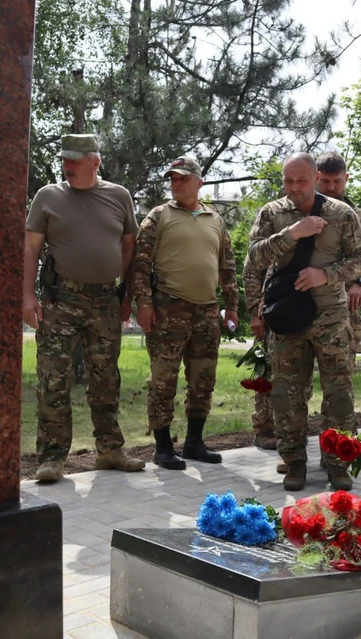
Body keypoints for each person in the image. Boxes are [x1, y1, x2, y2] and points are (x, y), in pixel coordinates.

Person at [23, 134, 146, 482]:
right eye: (65, 160)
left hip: (105, 301)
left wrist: (124, 297)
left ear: (95, 161)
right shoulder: (48, 196)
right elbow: (30, 249)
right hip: (62, 300)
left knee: (106, 378)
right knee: (53, 380)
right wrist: (27, 297)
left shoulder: (118, 196)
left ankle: (109, 450)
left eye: (75, 161)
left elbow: (128, 249)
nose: (67, 166)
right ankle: (51, 457)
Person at [247, 152, 361, 491]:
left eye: (301, 180)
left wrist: (325, 275)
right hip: (288, 317)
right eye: (288, 181)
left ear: (316, 178)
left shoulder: (341, 214)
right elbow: (255, 256)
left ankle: (338, 465)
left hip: (331, 317)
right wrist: (292, 234)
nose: (294, 188)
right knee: (286, 395)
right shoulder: (272, 213)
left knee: (339, 396)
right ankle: (294, 463)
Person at [132, 155, 239, 470]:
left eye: (181, 178)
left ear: (198, 181)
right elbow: (140, 263)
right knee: (164, 380)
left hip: (207, 311)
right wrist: (144, 303)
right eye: (172, 178)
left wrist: (231, 305)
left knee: (203, 379)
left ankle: (194, 442)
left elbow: (227, 266)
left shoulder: (214, 220)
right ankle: (163, 447)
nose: (175, 183)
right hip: (169, 308)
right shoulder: (158, 216)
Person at [314, 152, 361, 374]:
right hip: (301, 305)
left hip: (342, 310)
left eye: (337, 182)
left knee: (340, 385)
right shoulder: (297, 212)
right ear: (315, 178)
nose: (331, 188)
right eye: (325, 181)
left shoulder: (358, 218)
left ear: (346, 179)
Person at [241, 258, 278, 451]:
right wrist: (256, 312)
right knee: (266, 376)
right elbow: (253, 268)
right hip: (269, 312)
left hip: (298, 308)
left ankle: (290, 431)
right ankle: (264, 430)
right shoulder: (269, 227)